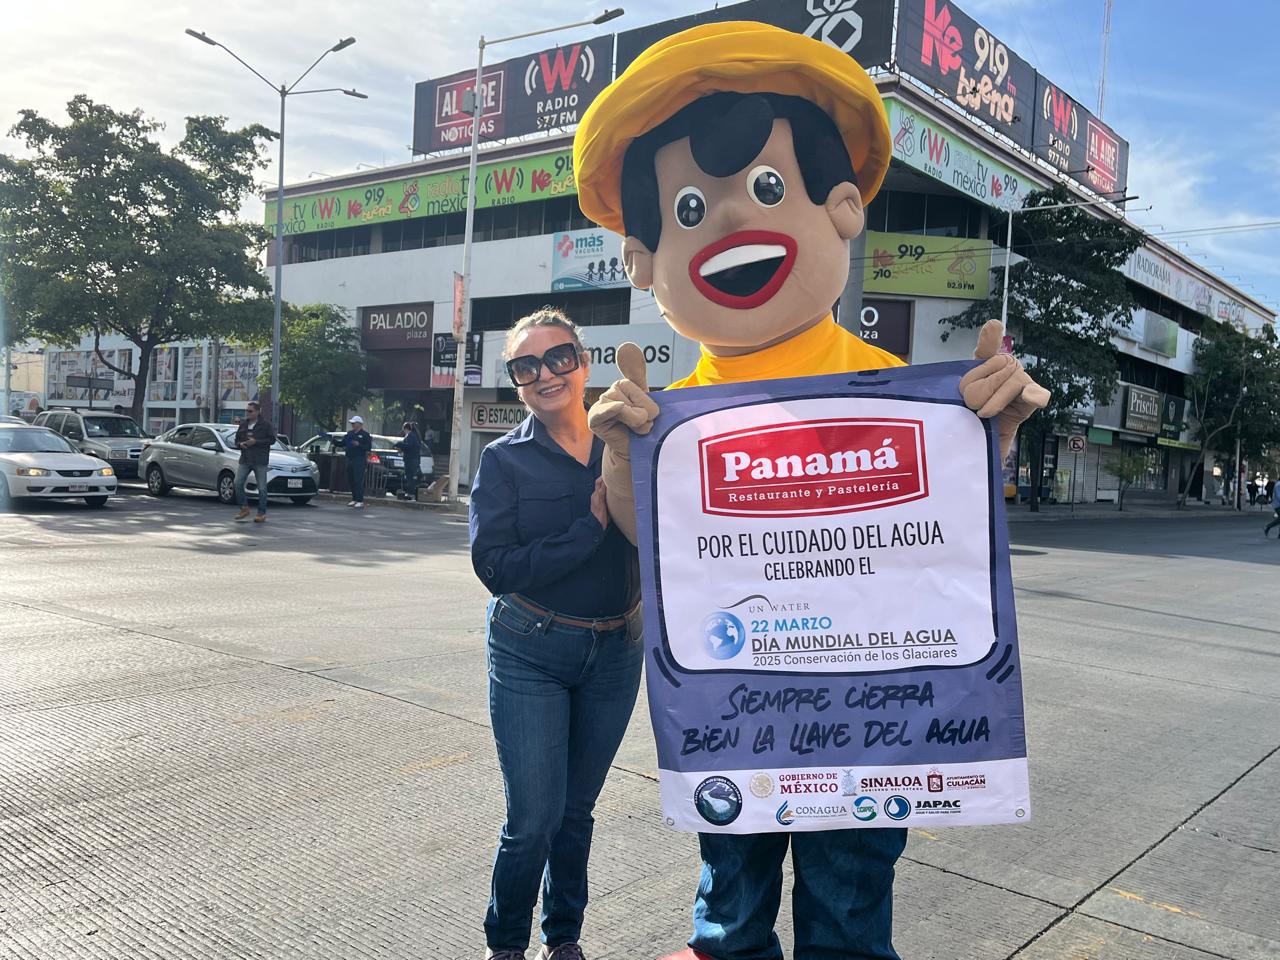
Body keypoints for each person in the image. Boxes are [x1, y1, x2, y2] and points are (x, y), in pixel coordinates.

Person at [573, 22, 1050, 960]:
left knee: (846, 923)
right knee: (731, 922)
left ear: (840, 208)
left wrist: (989, 431)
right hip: (731, 723)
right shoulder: (671, 418)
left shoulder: (900, 389)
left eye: (765, 189)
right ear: (645, 261)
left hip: (868, 730)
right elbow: (640, 540)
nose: (736, 226)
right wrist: (624, 458)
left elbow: (944, 534)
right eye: (690, 211)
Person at [469, 308, 643, 960]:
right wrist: (588, 529)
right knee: (533, 820)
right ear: (516, 382)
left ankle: (563, 940)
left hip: (618, 651)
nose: (544, 374)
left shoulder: (628, 442)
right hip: (529, 648)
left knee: (575, 816)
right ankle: (506, 945)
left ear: (583, 362)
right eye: (526, 366)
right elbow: (496, 567)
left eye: (557, 358)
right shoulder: (504, 461)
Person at [233, 400, 276, 523]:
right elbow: (236, 440)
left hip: (260, 460)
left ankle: (261, 513)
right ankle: (244, 508)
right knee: (237, 483)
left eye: (250, 411)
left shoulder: (265, 425)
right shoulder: (243, 425)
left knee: (262, 487)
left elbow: (272, 440)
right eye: (247, 411)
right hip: (245, 459)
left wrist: (256, 441)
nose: (248, 413)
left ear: (257, 412)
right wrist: (240, 444)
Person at [338, 415, 373, 508]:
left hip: (359, 459)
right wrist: (333, 440)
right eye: (352, 423)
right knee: (351, 479)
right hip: (350, 458)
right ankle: (354, 498)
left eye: (354, 423)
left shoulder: (365, 435)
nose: (352, 425)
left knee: (358, 479)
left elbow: (368, 447)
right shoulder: (350, 434)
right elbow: (342, 443)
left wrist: (359, 445)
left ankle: (360, 500)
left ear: (359, 424)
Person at [394, 421, 422, 500]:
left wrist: (400, 444)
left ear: (406, 429)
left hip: (411, 460)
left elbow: (409, 446)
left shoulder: (410, 436)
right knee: (410, 477)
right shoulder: (412, 436)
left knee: (410, 477)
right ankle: (410, 493)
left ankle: (411, 494)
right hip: (412, 459)